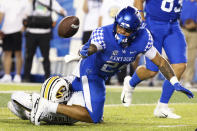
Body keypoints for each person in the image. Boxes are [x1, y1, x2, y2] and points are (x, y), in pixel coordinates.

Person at [29, 6, 193, 125]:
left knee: (94, 115)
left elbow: (161, 62)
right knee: (93, 116)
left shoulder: (144, 38)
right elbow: (95, 46)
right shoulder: (103, 33)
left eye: (126, 30)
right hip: (90, 71)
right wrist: (87, 50)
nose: (121, 31)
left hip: (102, 76)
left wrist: (174, 82)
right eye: (119, 26)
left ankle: (54, 100)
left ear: (136, 31)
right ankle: (46, 104)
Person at [121, 0, 189, 119]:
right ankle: (130, 83)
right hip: (153, 25)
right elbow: (138, 1)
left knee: (180, 65)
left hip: (173, 26)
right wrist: (142, 23)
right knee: (152, 71)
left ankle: (162, 106)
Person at [8, 76, 84, 125]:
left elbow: (15, 97)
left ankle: (26, 114)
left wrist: (25, 114)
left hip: (44, 114)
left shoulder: (77, 97)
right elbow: (15, 97)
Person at [23, 0, 67, 82]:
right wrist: (30, 3)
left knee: (46, 57)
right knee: (29, 56)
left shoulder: (51, 2)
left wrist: (55, 18)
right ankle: (26, 78)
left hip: (45, 34)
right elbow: (25, 15)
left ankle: (47, 78)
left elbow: (63, 12)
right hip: (31, 33)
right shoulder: (32, 2)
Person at [0, 0, 28, 83]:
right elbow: (1, 15)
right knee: (7, 53)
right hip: (6, 30)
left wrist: (23, 28)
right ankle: (7, 75)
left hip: (17, 30)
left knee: (18, 53)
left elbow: (26, 15)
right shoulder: (3, 1)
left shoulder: (24, 1)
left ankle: (18, 76)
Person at [180, 0, 197, 88]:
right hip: (182, 29)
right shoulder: (183, 1)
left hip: (194, 32)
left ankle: (187, 80)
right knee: (178, 55)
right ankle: (179, 77)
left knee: (191, 57)